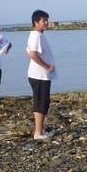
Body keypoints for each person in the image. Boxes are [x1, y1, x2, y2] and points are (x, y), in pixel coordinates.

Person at [26, 10, 56, 140]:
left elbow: (27, 51)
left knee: (44, 102)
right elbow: (32, 54)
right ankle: (38, 133)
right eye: (44, 21)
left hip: (41, 75)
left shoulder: (38, 35)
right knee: (41, 103)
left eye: (46, 20)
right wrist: (47, 66)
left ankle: (41, 130)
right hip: (39, 75)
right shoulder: (36, 35)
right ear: (36, 22)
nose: (46, 23)